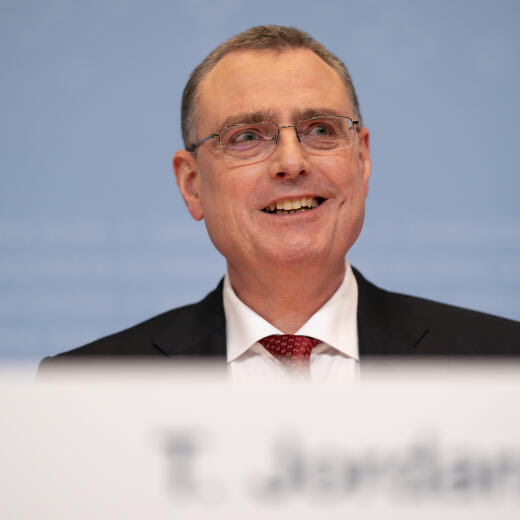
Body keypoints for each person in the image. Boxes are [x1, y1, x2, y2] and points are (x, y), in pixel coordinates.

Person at [39, 25, 519, 380]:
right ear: (191, 184)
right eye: (247, 136)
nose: (292, 161)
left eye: (320, 130)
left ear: (363, 159)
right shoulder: (89, 386)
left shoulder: (500, 365)